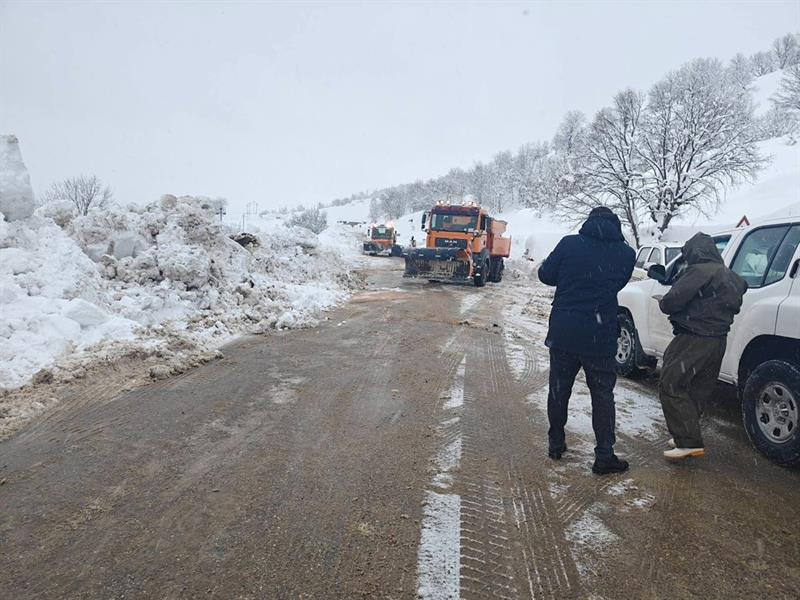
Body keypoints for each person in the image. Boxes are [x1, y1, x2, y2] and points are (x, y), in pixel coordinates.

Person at [538, 207, 636, 475]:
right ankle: (604, 455)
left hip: (564, 331)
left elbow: (546, 275)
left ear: (588, 222)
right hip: (600, 334)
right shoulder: (626, 254)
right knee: (603, 395)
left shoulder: (569, 244)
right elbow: (617, 284)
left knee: (559, 390)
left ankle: (556, 443)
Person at [657, 233, 747, 461]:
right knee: (698, 388)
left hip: (693, 337)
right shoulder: (731, 276)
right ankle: (686, 434)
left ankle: (688, 441)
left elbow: (671, 302)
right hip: (718, 340)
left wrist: (663, 302)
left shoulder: (698, 271)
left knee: (671, 383)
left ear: (693, 252)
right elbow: (737, 298)